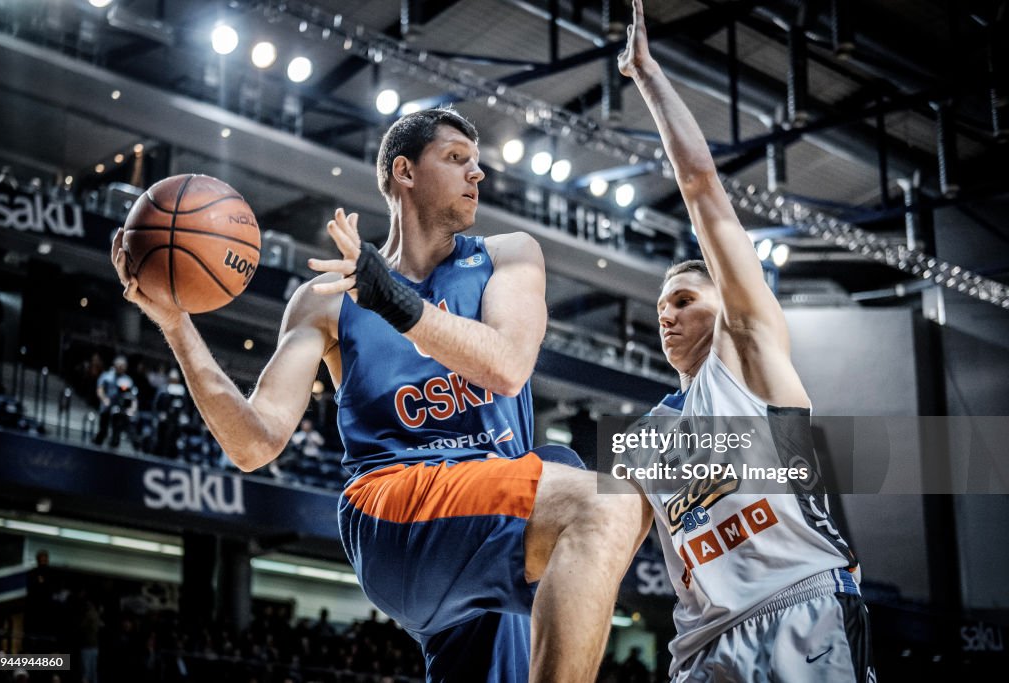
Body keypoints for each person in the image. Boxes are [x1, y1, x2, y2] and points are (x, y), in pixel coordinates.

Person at [111, 107, 650, 681]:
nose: (477, 174)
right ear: (404, 171)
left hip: (491, 515)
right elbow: (254, 443)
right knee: (603, 501)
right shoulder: (325, 299)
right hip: (396, 504)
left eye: (478, 163)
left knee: (617, 503)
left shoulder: (507, 255)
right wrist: (175, 324)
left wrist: (392, 298)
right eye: (456, 158)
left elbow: (508, 365)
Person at [617, 1, 875, 681]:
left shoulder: (752, 357)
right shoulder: (644, 437)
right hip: (702, 644)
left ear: (725, 307)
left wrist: (646, 76)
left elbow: (701, 188)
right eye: (659, 306)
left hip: (802, 607)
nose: (666, 315)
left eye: (683, 299)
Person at [93, 355, 137, 448]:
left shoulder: (128, 380)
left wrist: (132, 409)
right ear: (115, 365)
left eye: (123, 365)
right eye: (119, 365)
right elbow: (100, 389)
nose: (121, 367)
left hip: (120, 411)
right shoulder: (106, 376)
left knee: (116, 434)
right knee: (103, 431)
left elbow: (133, 397)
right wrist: (104, 399)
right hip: (106, 408)